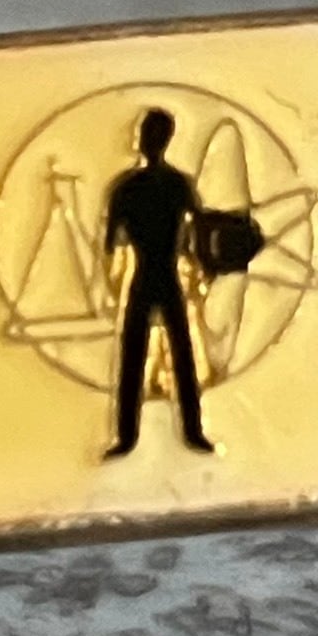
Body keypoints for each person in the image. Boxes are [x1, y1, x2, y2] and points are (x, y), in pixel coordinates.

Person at [102, 107, 214, 457]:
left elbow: (112, 241)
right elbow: (198, 230)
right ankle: (189, 432)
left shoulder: (126, 189)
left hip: (148, 277)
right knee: (176, 355)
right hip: (164, 277)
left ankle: (132, 436)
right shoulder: (178, 185)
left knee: (141, 357)